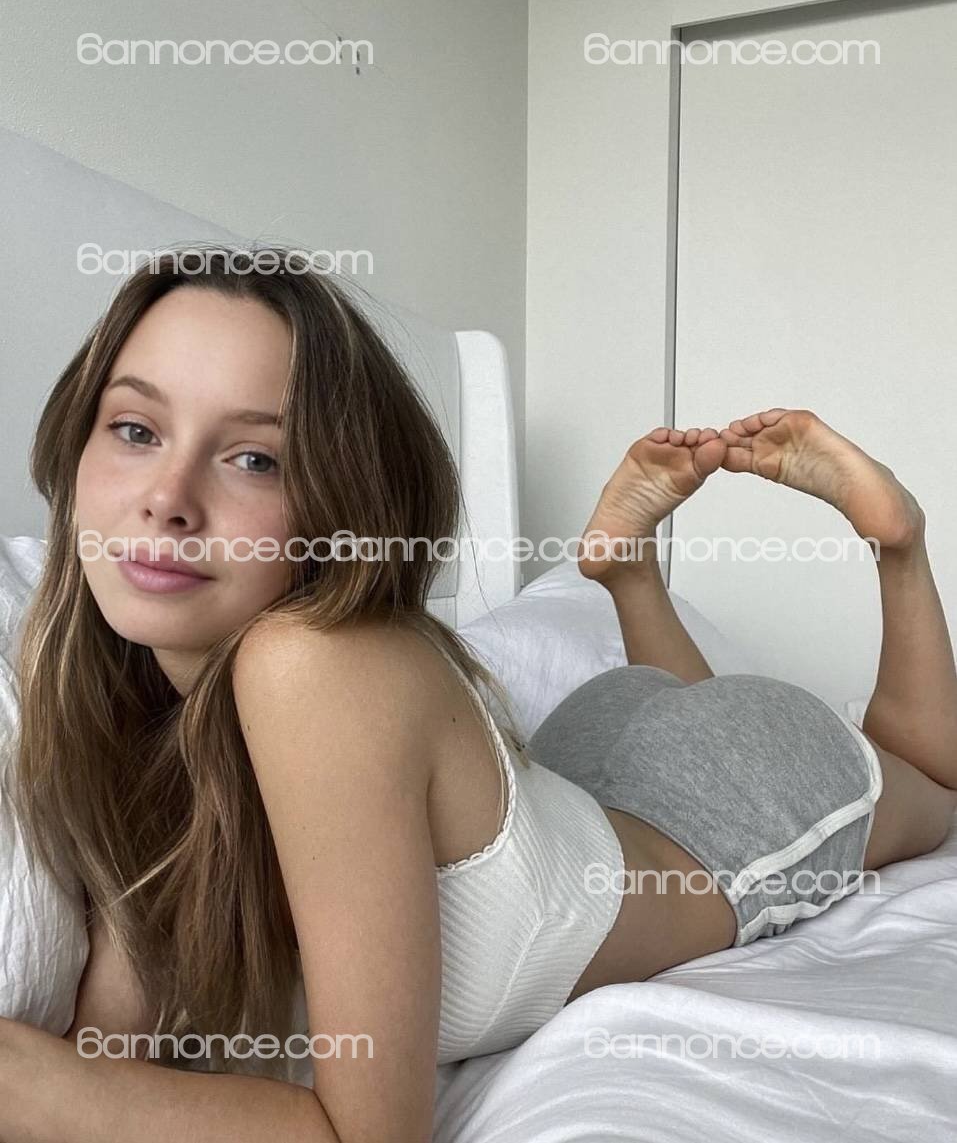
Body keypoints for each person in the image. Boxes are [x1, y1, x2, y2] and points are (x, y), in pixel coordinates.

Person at [4, 246, 955, 1143]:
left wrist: (37, 1083)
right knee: (672, 703)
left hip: (726, 803)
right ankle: (628, 576)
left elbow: (365, 1132)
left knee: (933, 785)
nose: (166, 497)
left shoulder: (310, 666)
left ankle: (897, 539)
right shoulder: (120, 699)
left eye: (256, 457)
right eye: (135, 430)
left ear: (343, 505)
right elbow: (114, 1050)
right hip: (588, 757)